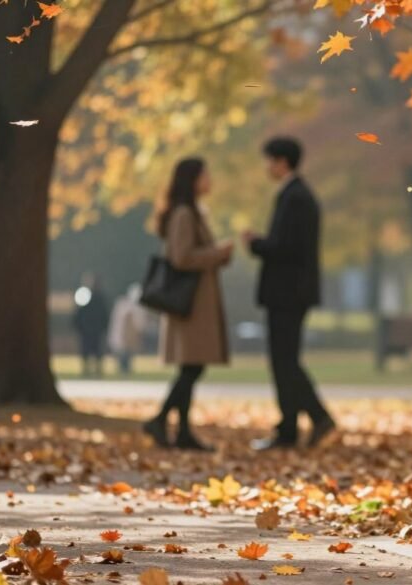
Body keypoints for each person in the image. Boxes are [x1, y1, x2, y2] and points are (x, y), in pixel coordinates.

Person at [243, 137, 335, 451]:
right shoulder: (298, 195)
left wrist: (255, 243)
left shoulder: (294, 197)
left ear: (282, 161)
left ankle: (305, 422)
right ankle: (294, 425)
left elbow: (285, 247)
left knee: (284, 361)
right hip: (293, 292)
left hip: (287, 293)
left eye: (270, 160)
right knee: (286, 360)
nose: (267, 167)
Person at [142, 157, 233, 452]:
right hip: (190, 304)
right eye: (205, 175)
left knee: (191, 367)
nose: (210, 181)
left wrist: (219, 255)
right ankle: (161, 419)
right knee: (191, 368)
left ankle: (181, 430)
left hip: (197, 302)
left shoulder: (193, 212)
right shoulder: (184, 214)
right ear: (192, 179)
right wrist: (216, 253)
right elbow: (181, 257)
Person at [72, 272, 109, 378]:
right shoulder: (85, 296)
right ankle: (88, 370)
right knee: (88, 351)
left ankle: (96, 370)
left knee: (95, 351)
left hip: (92, 330)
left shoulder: (98, 297)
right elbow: (79, 313)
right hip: (88, 330)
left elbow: (103, 314)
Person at [107, 283, 148, 374]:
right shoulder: (123, 306)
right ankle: (123, 370)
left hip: (126, 339)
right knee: (123, 355)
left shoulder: (126, 306)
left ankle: (125, 370)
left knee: (126, 355)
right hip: (122, 337)